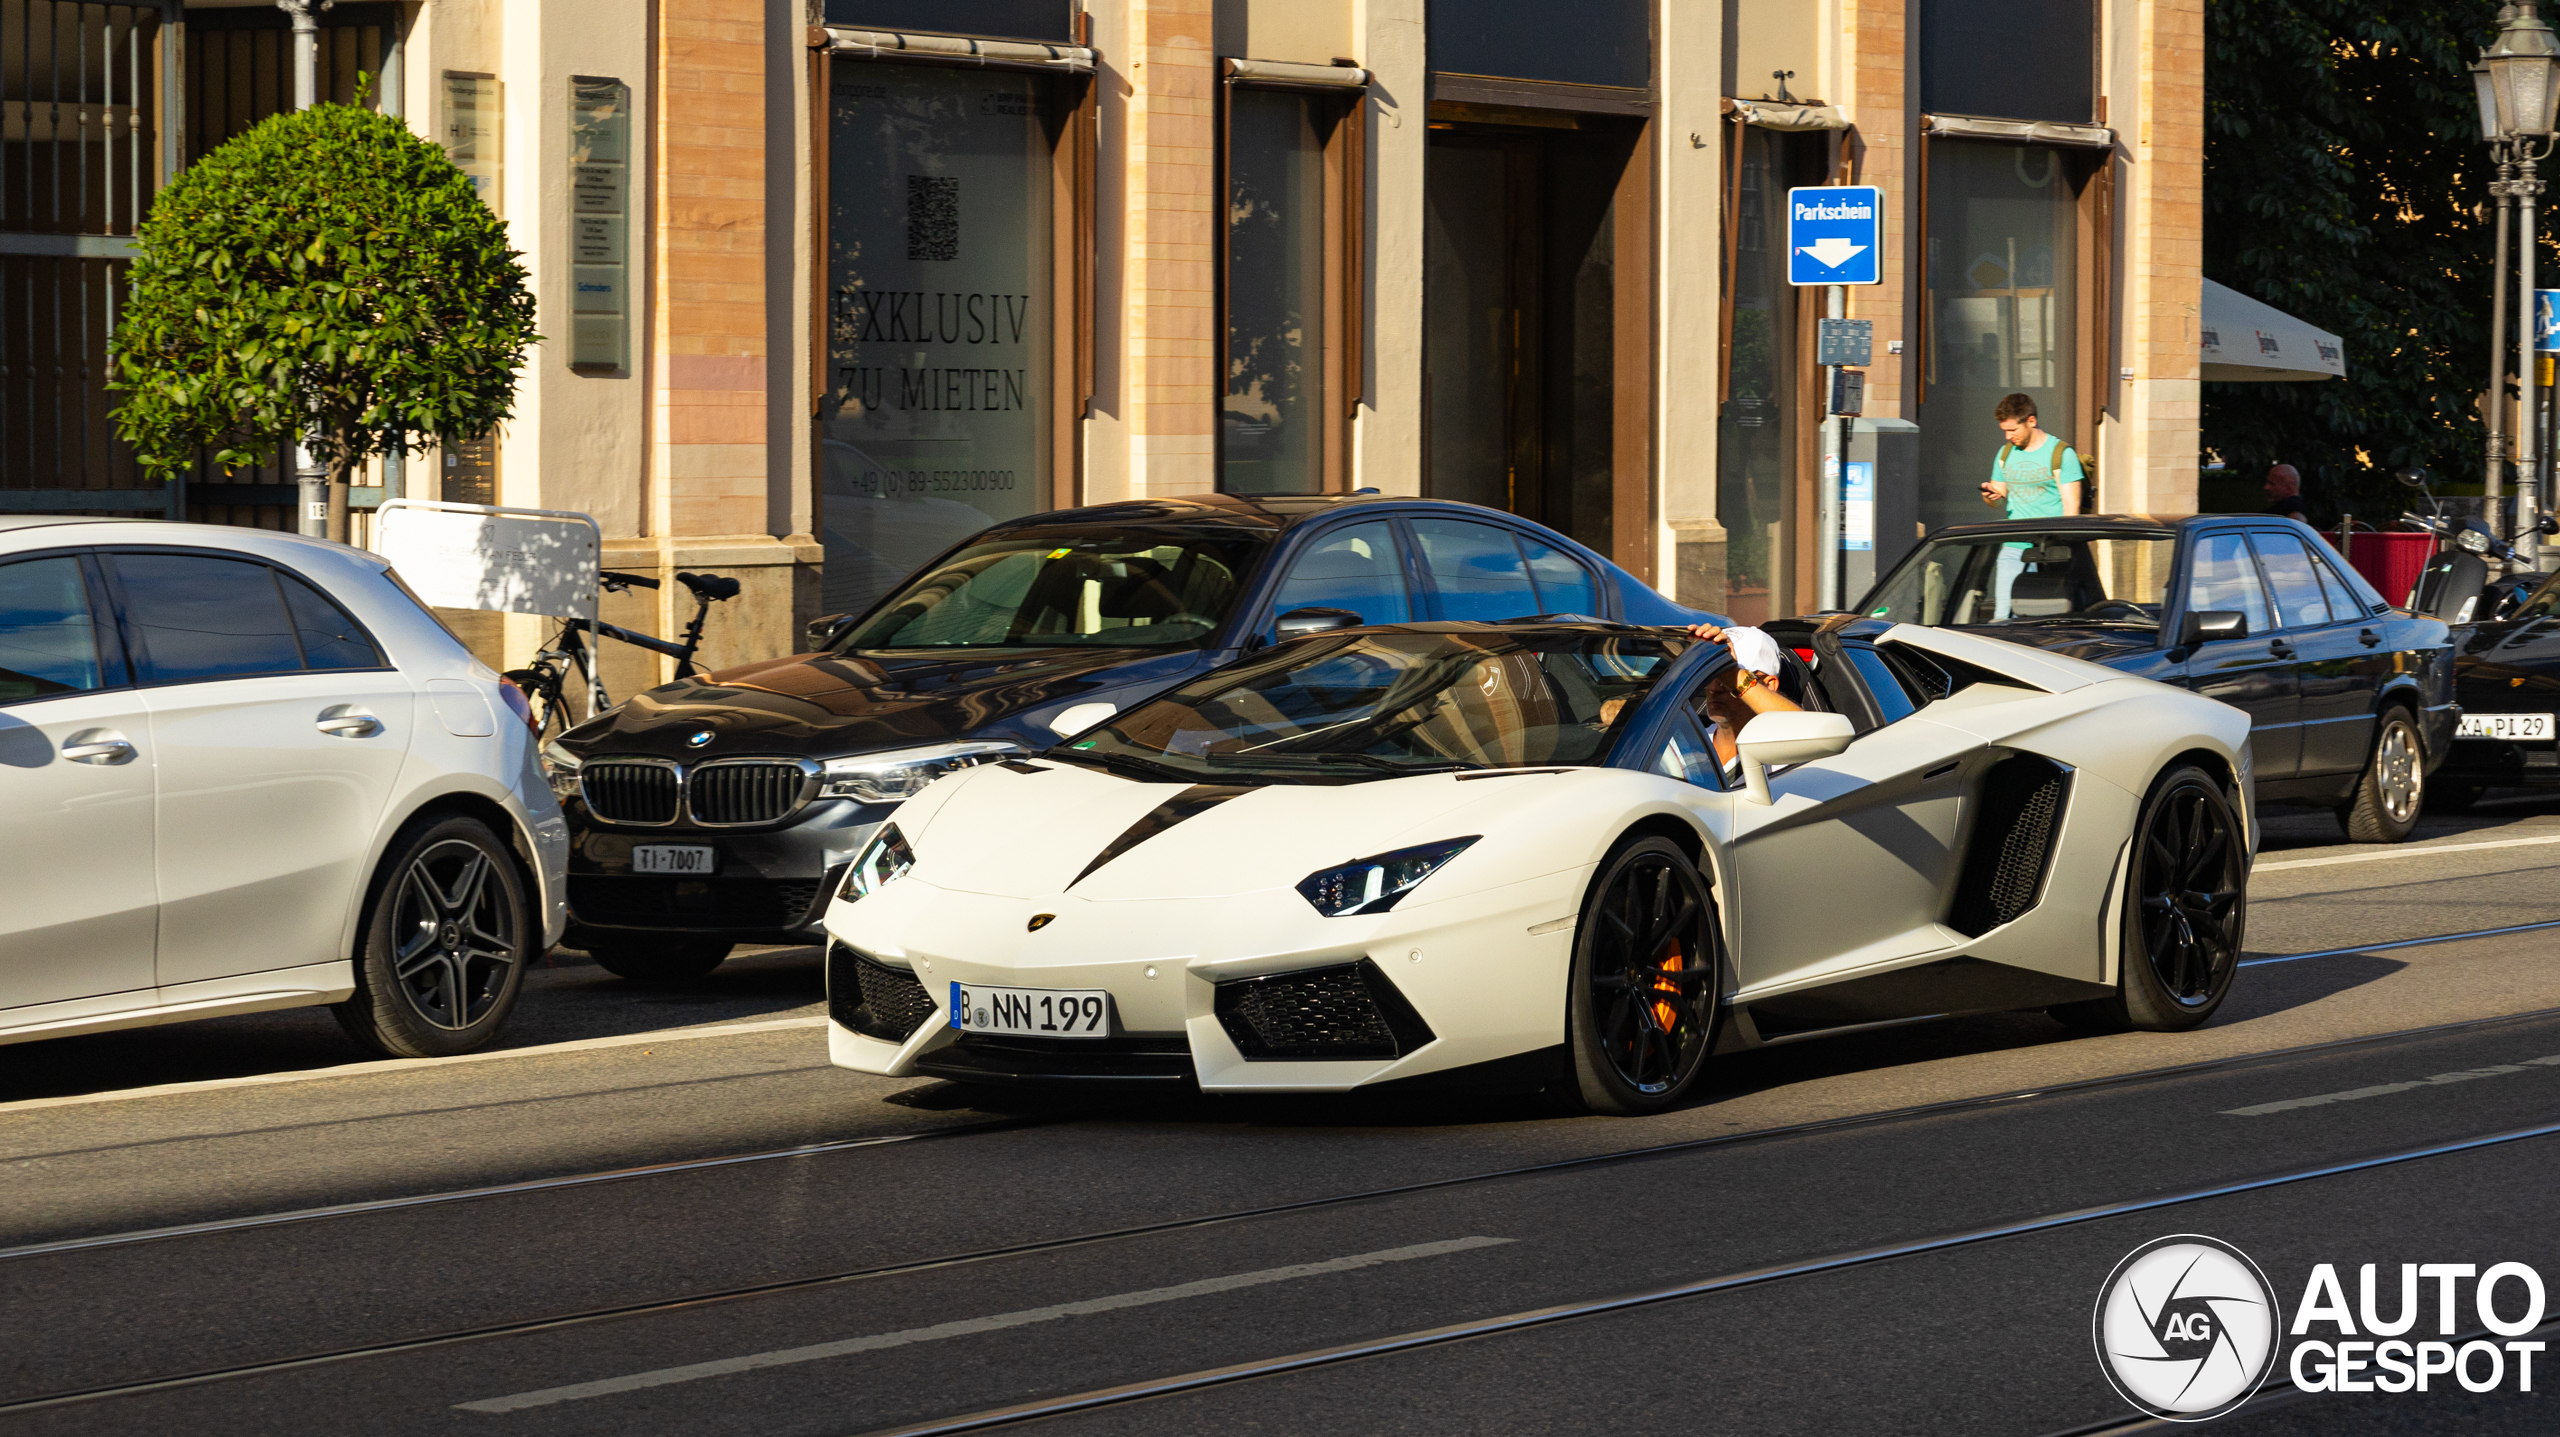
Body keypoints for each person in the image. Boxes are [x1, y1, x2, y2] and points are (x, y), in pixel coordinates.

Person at [1978, 393, 2085, 619]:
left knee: (2045, 619)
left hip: (2051, 549)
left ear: (2031, 421)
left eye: (2013, 430)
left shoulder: (2061, 454)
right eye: (2005, 431)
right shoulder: (2006, 453)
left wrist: (2062, 550)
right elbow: (1996, 501)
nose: (2008, 436)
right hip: (2014, 545)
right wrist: (1990, 495)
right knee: (2002, 616)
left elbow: (2071, 509)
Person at [1683, 623, 1803, 781]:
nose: (1713, 688)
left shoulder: (1784, 759)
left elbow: (1805, 729)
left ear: (1769, 685)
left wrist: (1732, 673)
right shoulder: (1682, 742)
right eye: (1712, 675)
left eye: (1728, 679)